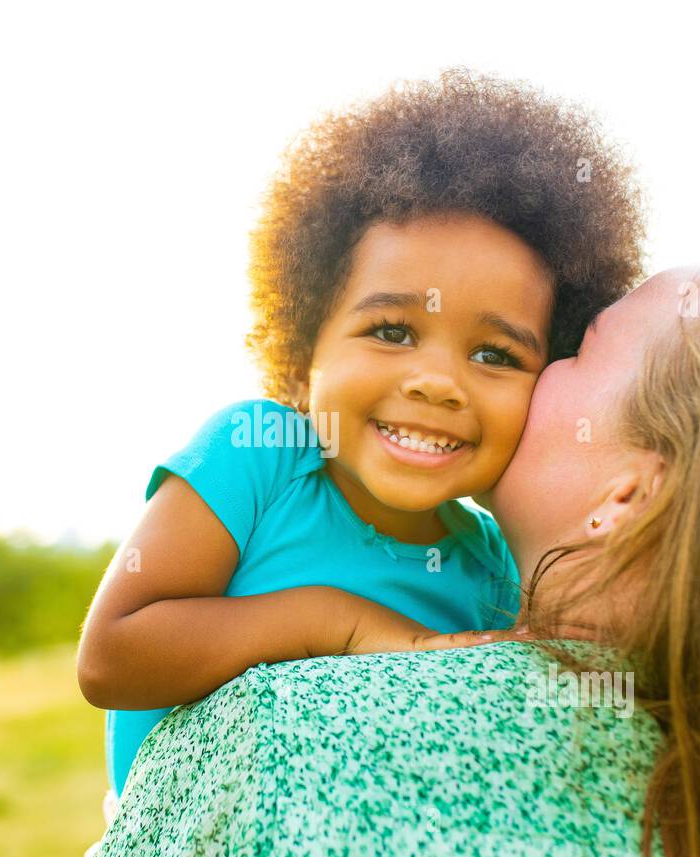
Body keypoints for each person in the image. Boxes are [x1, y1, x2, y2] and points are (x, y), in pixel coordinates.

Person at [91, 235, 700, 857]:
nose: (441, 383)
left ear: (629, 497)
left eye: (565, 349)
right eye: (390, 330)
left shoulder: (294, 733)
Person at [76, 68, 645, 804]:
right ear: (306, 341)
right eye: (392, 330)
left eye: (494, 355)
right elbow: (112, 659)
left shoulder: (494, 572)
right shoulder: (257, 454)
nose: (438, 382)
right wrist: (331, 623)